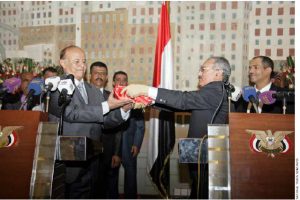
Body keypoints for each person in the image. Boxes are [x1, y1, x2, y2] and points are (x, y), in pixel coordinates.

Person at [122, 57, 231, 199]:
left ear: (218, 73)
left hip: (207, 161)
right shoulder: (214, 92)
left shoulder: (215, 90)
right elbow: (178, 105)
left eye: (203, 69)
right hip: (201, 159)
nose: (199, 74)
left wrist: (146, 90)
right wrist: (147, 102)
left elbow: (183, 100)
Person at [48, 45, 133, 198]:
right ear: (63, 63)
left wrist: (123, 110)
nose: (82, 66)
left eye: (84, 61)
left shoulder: (93, 90)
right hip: (69, 162)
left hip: (93, 160)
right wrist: (108, 105)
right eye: (77, 61)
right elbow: (71, 113)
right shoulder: (57, 86)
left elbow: (105, 120)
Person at [89, 61, 122, 198]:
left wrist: (116, 153)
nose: (99, 76)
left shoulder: (113, 97)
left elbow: (118, 128)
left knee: (102, 187)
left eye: (102, 74)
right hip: (87, 149)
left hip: (106, 151)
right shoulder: (82, 96)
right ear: (90, 75)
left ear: (107, 77)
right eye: (96, 73)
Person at [113, 71, 145, 199]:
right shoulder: (107, 99)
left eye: (124, 80)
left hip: (129, 145)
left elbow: (140, 126)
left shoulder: (135, 101)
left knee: (131, 176)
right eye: (118, 80)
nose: (121, 82)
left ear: (127, 83)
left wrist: (136, 144)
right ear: (113, 83)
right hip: (112, 146)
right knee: (111, 177)